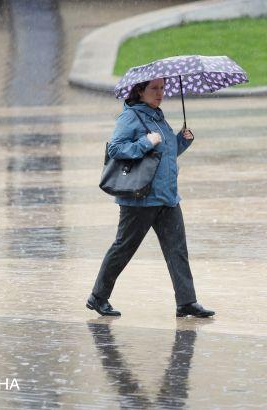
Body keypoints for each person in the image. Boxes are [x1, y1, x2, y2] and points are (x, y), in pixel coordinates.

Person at [86, 78, 215, 318]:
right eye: (154, 89)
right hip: (140, 199)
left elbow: (165, 154)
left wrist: (182, 141)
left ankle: (186, 302)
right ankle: (98, 297)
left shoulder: (158, 116)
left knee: (177, 250)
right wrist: (146, 141)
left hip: (167, 197)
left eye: (163, 88)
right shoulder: (130, 117)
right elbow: (116, 149)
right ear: (140, 91)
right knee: (124, 248)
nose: (160, 93)